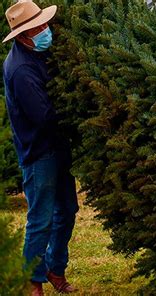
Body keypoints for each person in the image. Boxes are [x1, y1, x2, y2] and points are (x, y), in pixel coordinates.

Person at [2, 1, 78, 295]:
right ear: (23, 36)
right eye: (39, 28)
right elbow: (45, 117)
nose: (46, 30)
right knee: (40, 220)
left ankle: (54, 268)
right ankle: (32, 282)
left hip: (57, 147)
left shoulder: (40, 53)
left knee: (68, 211)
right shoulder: (20, 69)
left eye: (46, 24)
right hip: (39, 153)